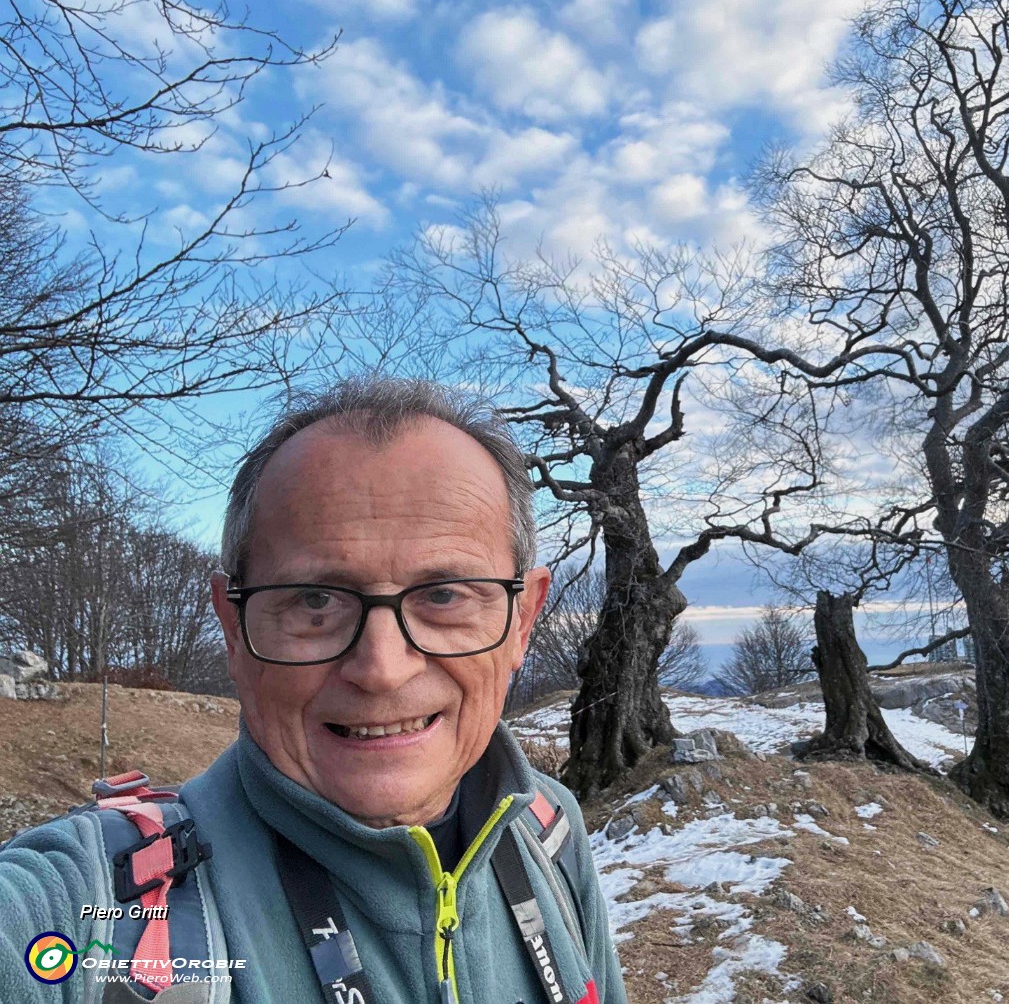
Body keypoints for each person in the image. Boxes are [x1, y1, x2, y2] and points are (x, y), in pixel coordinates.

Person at [0, 377, 627, 1003]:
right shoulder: (90, 905)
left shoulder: (548, 831)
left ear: (522, 621)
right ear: (234, 626)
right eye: (315, 600)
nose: (383, 668)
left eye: (444, 595)